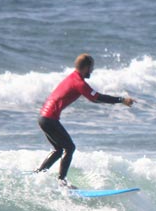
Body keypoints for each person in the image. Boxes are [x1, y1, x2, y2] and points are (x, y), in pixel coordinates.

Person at [35, 54, 134, 187]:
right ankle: (61, 181)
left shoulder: (72, 78)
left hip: (43, 118)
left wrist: (116, 101)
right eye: (91, 68)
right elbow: (97, 97)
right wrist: (121, 100)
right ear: (86, 67)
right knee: (69, 148)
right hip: (49, 119)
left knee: (59, 149)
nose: (92, 71)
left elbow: (94, 99)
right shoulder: (78, 82)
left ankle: (39, 173)